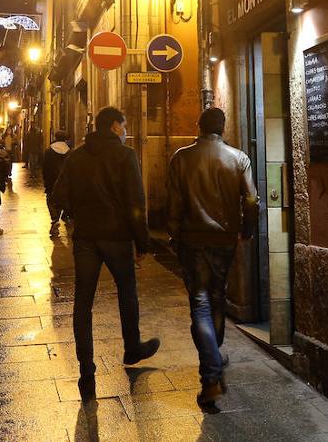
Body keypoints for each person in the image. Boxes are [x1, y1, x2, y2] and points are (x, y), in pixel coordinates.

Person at [52, 107, 160, 401]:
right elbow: (136, 203)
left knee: (82, 303)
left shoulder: (76, 157)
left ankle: (86, 370)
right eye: (124, 125)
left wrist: (77, 213)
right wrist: (143, 243)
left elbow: (58, 196)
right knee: (127, 293)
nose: (125, 130)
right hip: (118, 237)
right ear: (114, 127)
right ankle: (132, 347)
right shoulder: (125, 156)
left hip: (86, 238)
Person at [165, 107, 259, 410]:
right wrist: (247, 229)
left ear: (199, 126)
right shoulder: (239, 158)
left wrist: (174, 235)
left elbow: (174, 203)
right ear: (223, 127)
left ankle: (211, 375)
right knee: (216, 297)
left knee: (201, 303)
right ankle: (214, 357)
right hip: (224, 240)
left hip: (193, 241)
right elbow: (251, 199)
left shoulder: (181, 157)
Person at [41, 130, 71, 237]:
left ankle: (54, 219)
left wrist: (45, 179)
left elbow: (44, 166)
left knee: (50, 199)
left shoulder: (49, 150)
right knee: (63, 198)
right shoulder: (69, 151)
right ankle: (65, 216)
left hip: (51, 179)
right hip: (64, 180)